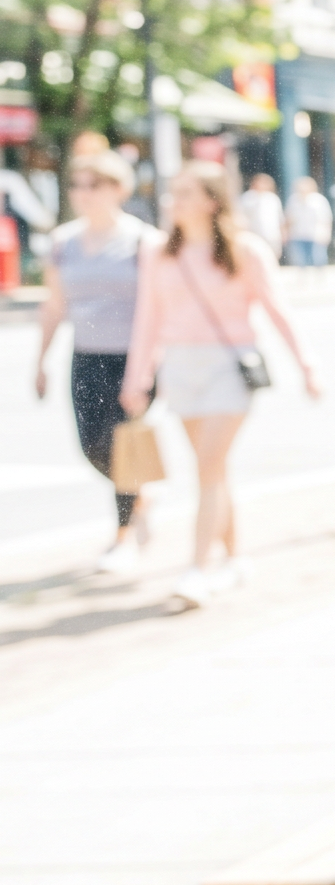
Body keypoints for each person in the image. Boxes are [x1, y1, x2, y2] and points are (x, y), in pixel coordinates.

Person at [121, 161, 320, 606]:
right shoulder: (158, 252)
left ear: (212, 201)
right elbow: (147, 320)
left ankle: (197, 569)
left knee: (207, 467)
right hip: (180, 370)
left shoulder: (244, 251)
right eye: (174, 193)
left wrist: (307, 365)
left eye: (186, 194)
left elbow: (277, 311)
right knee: (215, 470)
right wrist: (139, 377)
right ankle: (234, 557)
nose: (174, 202)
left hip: (228, 369)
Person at [31, 152, 160, 575]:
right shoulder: (63, 242)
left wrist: (144, 371)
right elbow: (54, 305)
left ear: (118, 189)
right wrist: (41, 360)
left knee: (119, 445)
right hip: (85, 355)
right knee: (92, 446)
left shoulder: (143, 241)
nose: (83, 194)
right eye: (77, 186)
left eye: (94, 185)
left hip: (133, 357)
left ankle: (123, 536)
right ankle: (140, 497)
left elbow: (157, 309)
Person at [285, 175, 332, 267]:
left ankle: (319, 278)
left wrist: (326, 233)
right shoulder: (293, 200)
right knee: (300, 260)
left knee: (318, 258)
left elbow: (326, 218)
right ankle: (303, 278)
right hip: (298, 234)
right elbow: (289, 217)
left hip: (315, 234)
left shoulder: (319, 200)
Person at [237, 170, 285, 248]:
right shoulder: (247, 197)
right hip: (254, 235)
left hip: (272, 236)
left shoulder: (272, 198)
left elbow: (279, 218)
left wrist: (283, 233)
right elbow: (241, 216)